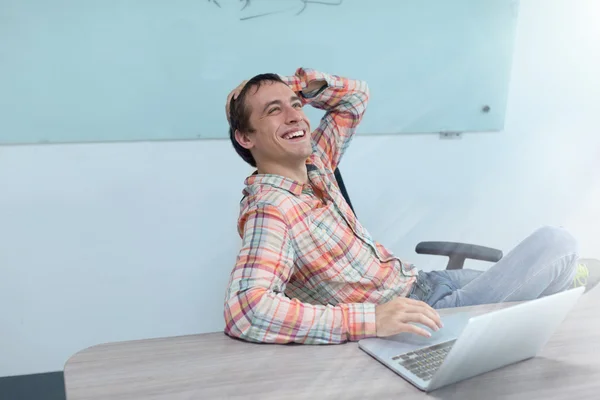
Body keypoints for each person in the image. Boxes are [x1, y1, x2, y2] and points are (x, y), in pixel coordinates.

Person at [222, 68, 596, 345]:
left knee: (557, 285)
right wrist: (369, 320)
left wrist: (302, 85)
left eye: (295, 105)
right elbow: (246, 311)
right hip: (420, 315)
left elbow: (354, 99)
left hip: (426, 282)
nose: (295, 115)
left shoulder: (316, 163)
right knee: (556, 245)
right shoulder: (271, 209)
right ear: (245, 137)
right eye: (274, 110)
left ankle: (561, 286)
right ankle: (561, 286)